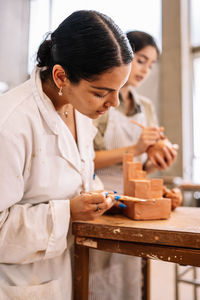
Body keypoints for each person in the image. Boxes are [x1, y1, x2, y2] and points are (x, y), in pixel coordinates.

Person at [0, 10, 133, 300]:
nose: (113, 103)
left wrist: (103, 198)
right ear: (61, 75)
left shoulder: (80, 110)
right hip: (14, 284)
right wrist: (68, 212)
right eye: (101, 93)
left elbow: (78, 175)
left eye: (118, 91)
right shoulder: (10, 123)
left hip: (59, 275)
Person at [90, 31, 177, 300]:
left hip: (134, 203)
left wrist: (152, 161)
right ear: (123, 57)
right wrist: (135, 149)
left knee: (130, 280)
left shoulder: (145, 107)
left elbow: (140, 166)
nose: (145, 70)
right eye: (140, 60)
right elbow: (84, 158)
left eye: (151, 65)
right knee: (98, 277)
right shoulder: (99, 99)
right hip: (101, 200)